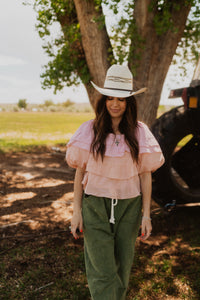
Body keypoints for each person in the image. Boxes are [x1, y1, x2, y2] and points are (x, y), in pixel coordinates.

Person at [66, 64, 165, 300]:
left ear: (129, 101)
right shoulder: (89, 130)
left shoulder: (140, 132)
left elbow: (145, 174)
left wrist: (146, 215)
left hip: (130, 208)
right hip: (95, 207)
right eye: (110, 97)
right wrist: (76, 211)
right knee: (103, 270)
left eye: (121, 98)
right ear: (104, 99)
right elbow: (80, 173)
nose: (115, 103)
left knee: (122, 269)